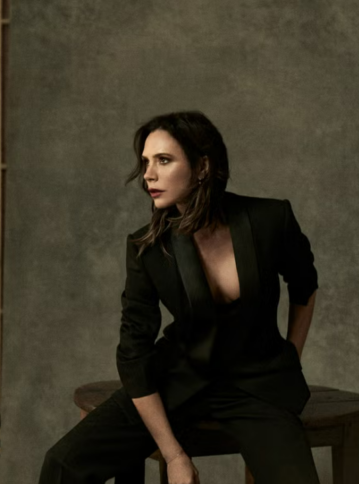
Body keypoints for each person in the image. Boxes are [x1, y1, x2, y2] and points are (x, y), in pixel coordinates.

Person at [39, 111, 321, 484]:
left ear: (203, 166)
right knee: (62, 465)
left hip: (257, 386)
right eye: (145, 163)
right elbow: (134, 353)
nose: (148, 175)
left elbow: (305, 286)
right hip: (178, 378)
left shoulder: (270, 219)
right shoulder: (148, 248)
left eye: (164, 160)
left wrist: (290, 357)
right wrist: (174, 456)